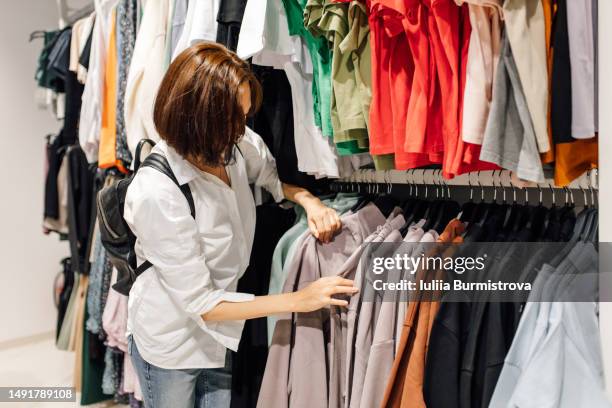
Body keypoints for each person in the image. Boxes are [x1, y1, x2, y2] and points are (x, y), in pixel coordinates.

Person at [123, 42, 358, 408]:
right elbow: (203, 304)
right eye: (231, 118)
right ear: (195, 117)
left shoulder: (235, 145)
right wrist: (301, 299)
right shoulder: (157, 192)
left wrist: (308, 200)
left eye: (244, 116)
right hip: (171, 340)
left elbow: (275, 183)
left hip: (222, 333)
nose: (240, 128)